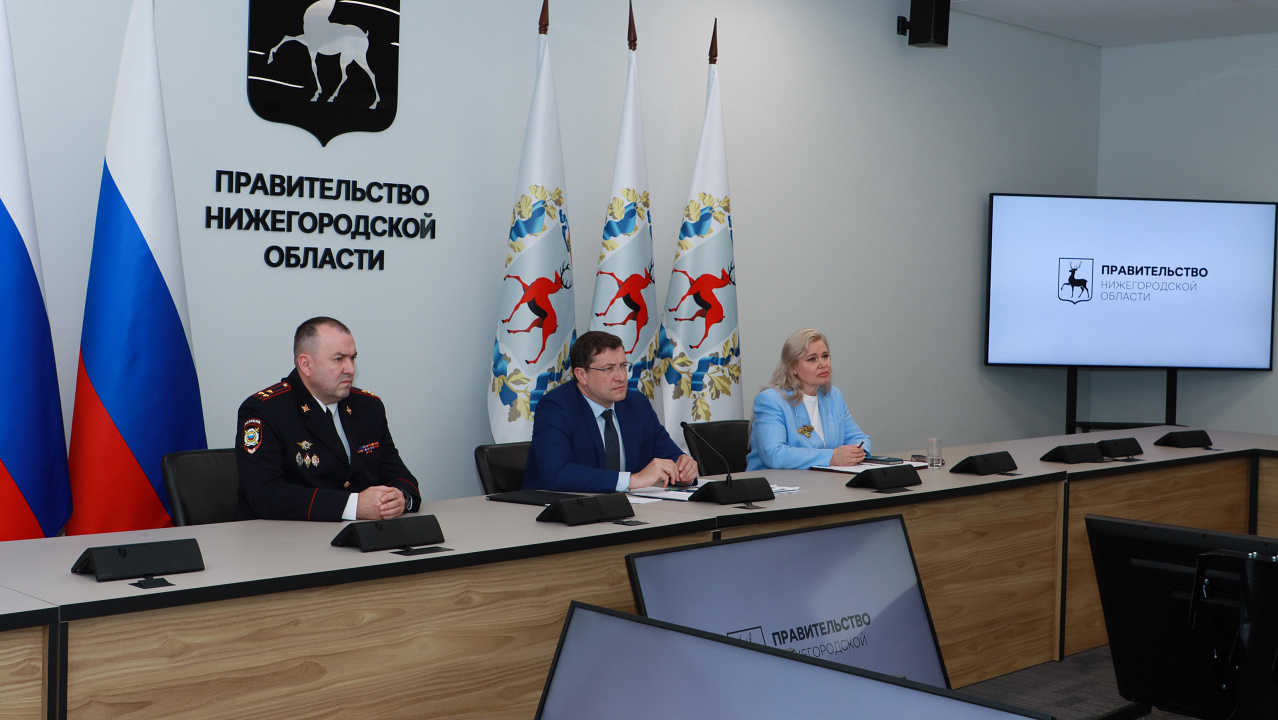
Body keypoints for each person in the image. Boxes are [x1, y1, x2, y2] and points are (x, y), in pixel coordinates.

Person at [234, 317, 421, 521]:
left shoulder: (368, 407)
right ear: (306, 364)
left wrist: (400, 498)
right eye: (339, 359)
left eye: (352, 358)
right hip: (285, 536)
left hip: (361, 534)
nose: (350, 369)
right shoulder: (266, 410)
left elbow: (399, 475)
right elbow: (266, 495)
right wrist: (353, 506)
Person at [523, 331, 698, 492]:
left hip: (629, 508)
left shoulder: (636, 404)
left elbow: (669, 456)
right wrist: (632, 480)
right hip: (556, 509)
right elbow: (558, 474)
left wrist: (684, 470)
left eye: (623, 366)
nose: (621, 377)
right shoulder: (555, 407)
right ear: (582, 375)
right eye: (608, 369)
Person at [745, 328, 871, 470]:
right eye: (812, 359)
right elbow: (774, 455)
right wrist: (831, 457)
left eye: (825, 356)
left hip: (824, 481)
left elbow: (860, 438)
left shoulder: (833, 396)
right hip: (775, 482)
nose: (822, 364)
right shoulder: (771, 400)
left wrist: (857, 452)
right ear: (793, 367)